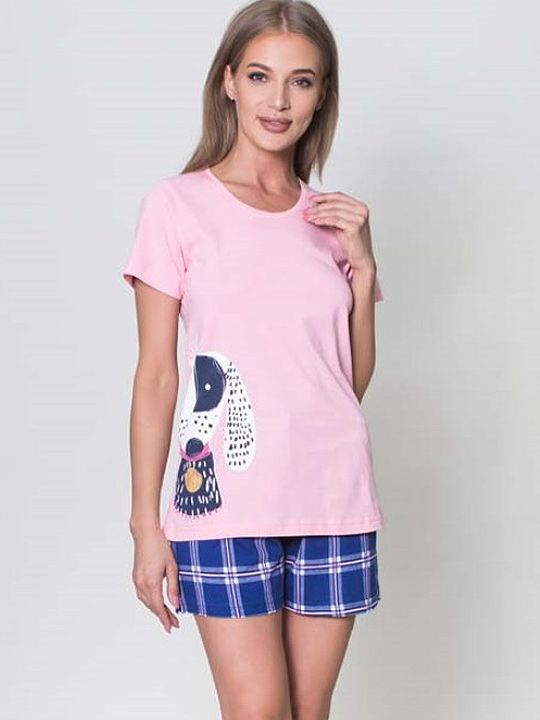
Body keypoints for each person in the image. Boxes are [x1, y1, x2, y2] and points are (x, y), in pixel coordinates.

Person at [122, 1, 385, 717]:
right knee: (259, 712)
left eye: (301, 81)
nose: (279, 100)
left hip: (333, 496)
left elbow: (347, 382)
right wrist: (146, 524)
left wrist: (362, 267)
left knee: (308, 712)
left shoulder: (332, 221)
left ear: (322, 95)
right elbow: (157, 376)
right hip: (223, 501)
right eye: (261, 76)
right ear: (229, 81)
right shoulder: (177, 206)